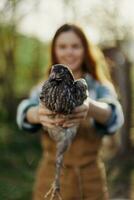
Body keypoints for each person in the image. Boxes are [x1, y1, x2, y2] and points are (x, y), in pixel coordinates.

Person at [16, 24, 124, 200]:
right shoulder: (45, 86)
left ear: (85, 50)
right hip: (51, 178)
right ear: (54, 51)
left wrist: (90, 107)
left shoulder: (98, 86)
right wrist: (37, 114)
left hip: (90, 179)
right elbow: (23, 112)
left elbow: (114, 114)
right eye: (62, 47)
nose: (69, 52)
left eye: (75, 46)